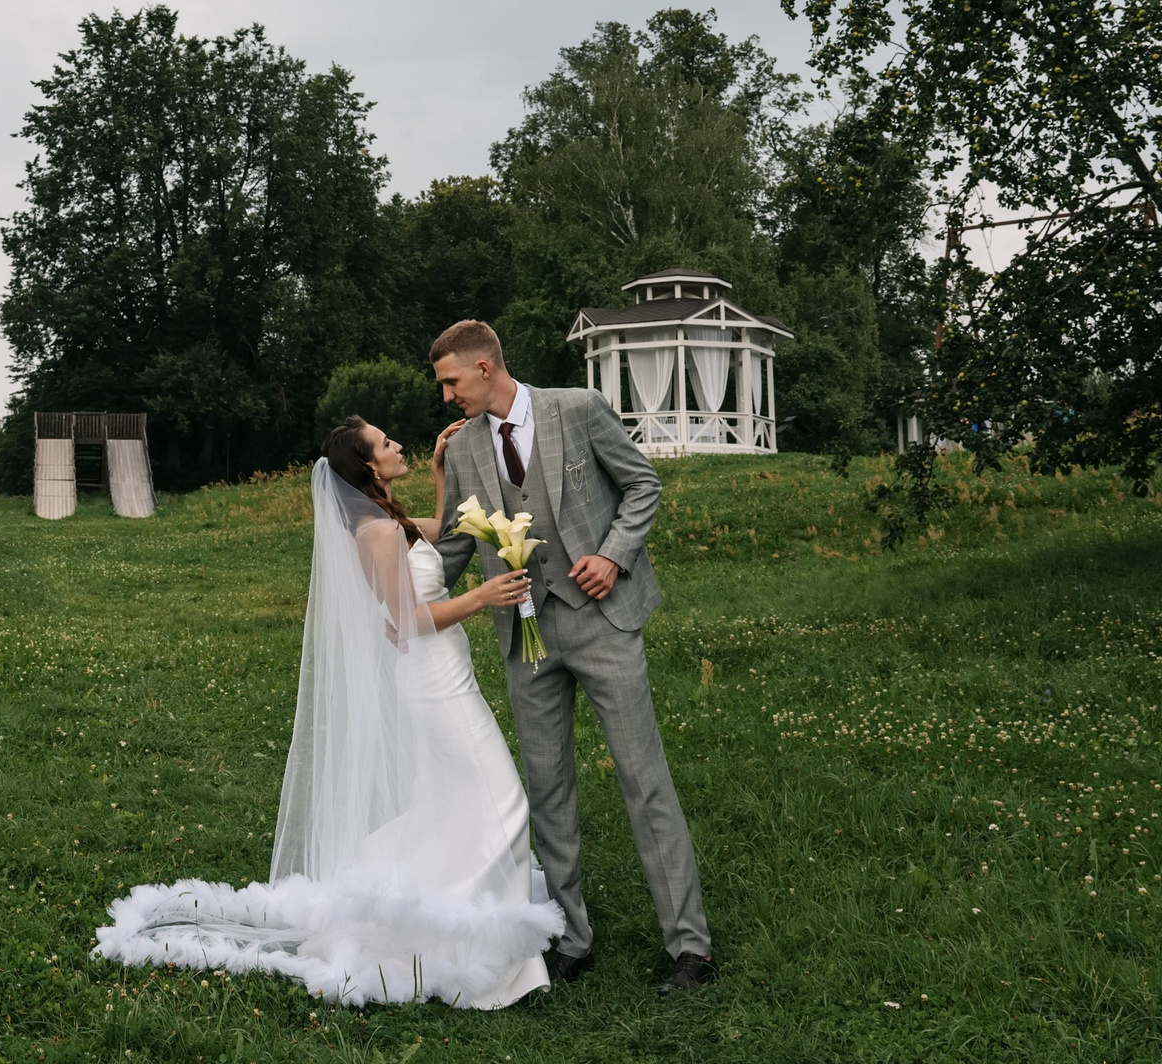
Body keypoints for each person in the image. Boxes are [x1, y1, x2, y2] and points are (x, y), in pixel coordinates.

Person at [92, 418, 563, 1008]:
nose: (397, 445)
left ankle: (450, 924)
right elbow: (408, 622)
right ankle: (487, 956)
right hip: (431, 680)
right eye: (387, 443)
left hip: (449, 673)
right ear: (368, 466)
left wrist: (441, 470)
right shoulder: (376, 535)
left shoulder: (388, 520)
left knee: (453, 802)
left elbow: (438, 531)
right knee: (503, 802)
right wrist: (482, 598)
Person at [428, 317, 716, 995]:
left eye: (449, 382)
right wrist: (381, 564)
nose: (445, 397)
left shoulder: (578, 409)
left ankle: (691, 946)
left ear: (484, 369)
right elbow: (448, 550)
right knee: (547, 789)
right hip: (525, 641)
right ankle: (571, 940)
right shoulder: (466, 446)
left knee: (645, 779)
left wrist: (612, 557)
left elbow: (644, 485)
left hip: (602, 623)